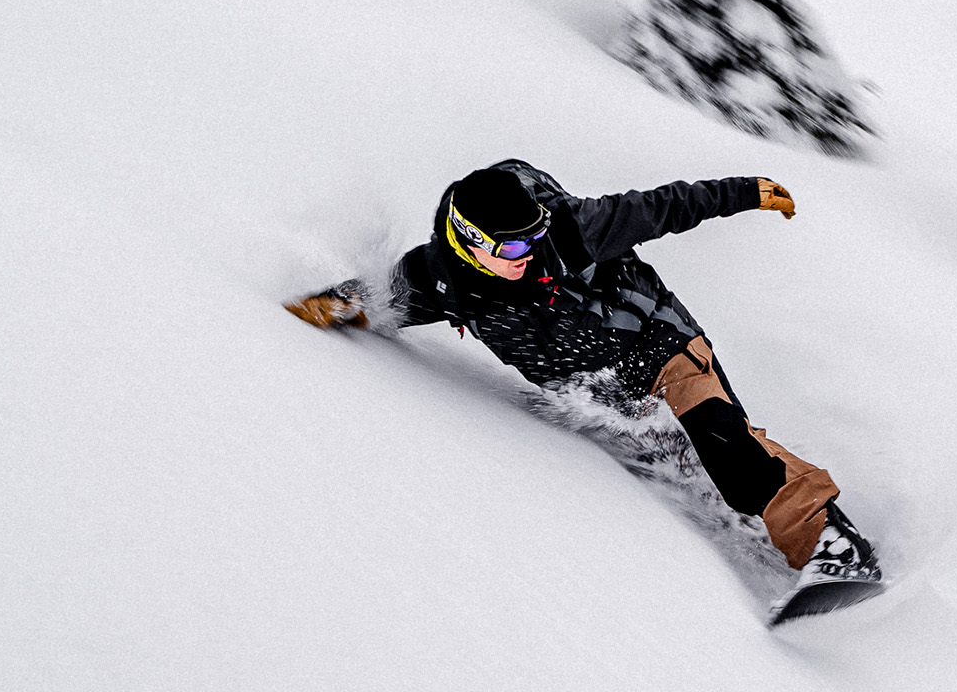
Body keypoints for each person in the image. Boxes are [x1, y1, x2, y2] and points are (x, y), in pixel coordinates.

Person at [285, 160, 878, 593]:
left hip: (659, 341)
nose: (530, 251)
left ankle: (834, 544)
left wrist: (748, 192)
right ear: (472, 242)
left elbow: (666, 205)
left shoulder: (571, 231)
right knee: (686, 463)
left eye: (533, 235)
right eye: (515, 244)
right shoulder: (442, 280)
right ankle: (760, 525)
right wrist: (332, 306)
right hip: (598, 390)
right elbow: (383, 301)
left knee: (724, 441)